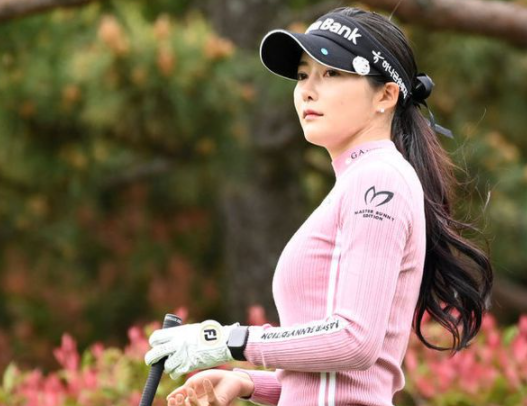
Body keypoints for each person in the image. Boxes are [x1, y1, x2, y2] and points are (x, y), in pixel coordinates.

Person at [144, 7, 494, 406]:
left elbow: (355, 341)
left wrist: (230, 340)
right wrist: (245, 382)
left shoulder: (378, 179)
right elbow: (336, 383)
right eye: (302, 75)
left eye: (331, 73)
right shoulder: (360, 180)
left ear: (386, 95)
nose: (308, 90)